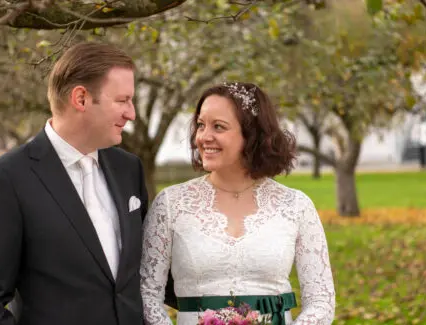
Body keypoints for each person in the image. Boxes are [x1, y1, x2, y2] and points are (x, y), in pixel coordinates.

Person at [0, 42, 175, 325]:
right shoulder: (6, 179)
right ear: (81, 99)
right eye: (123, 100)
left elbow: (150, 270)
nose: (132, 113)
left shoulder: (128, 168)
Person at [140, 82, 335, 325]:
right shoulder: (170, 204)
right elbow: (147, 295)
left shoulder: (295, 206)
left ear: (252, 135)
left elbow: (321, 300)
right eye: (201, 125)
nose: (203, 137)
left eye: (218, 127)